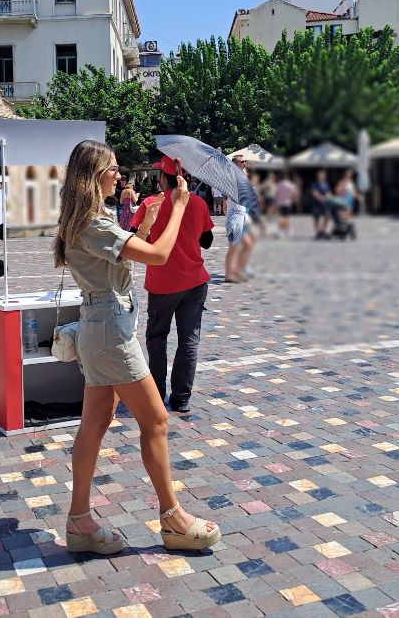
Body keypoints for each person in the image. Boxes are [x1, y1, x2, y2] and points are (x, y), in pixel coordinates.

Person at [56, 140, 220, 555]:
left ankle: (79, 521)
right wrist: (179, 206)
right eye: (113, 169)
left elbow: (125, 258)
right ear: (95, 176)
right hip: (110, 332)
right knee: (156, 421)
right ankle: (173, 519)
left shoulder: (90, 221)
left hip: (104, 326)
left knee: (95, 423)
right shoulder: (93, 223)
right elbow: (159, 257)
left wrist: (145, 223)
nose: (120, 175)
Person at [130, 156, 214, 414]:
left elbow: (136, 241)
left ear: (164, 178)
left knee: (157, 337)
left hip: (162, 284)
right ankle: (181, 398)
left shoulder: (150, 204)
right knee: (189, 340)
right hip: (195, 282)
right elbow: (207, 241)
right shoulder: (198, 202)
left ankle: (156, 393)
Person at [224, 155, 256, 282]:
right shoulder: (231, 178)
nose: (244, 163)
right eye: (242, 162)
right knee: (233, 247)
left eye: (245, 161)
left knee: (248, 244)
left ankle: (237, 270)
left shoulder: (242, 176)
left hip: (242, 214)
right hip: (235, 215)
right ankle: (228, 275)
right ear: (235, 164)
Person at [274, 171, 298, 237]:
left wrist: (275, 202)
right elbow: (294, 193)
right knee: (286, 218)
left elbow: (276, 194)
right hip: (288, 203)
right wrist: (292, 198)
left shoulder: (278, 184)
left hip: (280, 203)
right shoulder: (290, 184)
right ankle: (286, 230)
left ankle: (282, 231)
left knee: (282, 217)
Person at [310, 170, 332, 238]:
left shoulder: (326, 184)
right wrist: (321, 198)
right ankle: (318, 232)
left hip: (325, 203)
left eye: (323, 175)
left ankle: (323, 230)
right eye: (320, 175)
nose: (321, 177)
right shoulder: (314, 184)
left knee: (327, 216)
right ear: (318, 176)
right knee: (316, 218)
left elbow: (329, 192)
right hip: (316, 204)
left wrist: (328, 196)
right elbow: (314, 193)